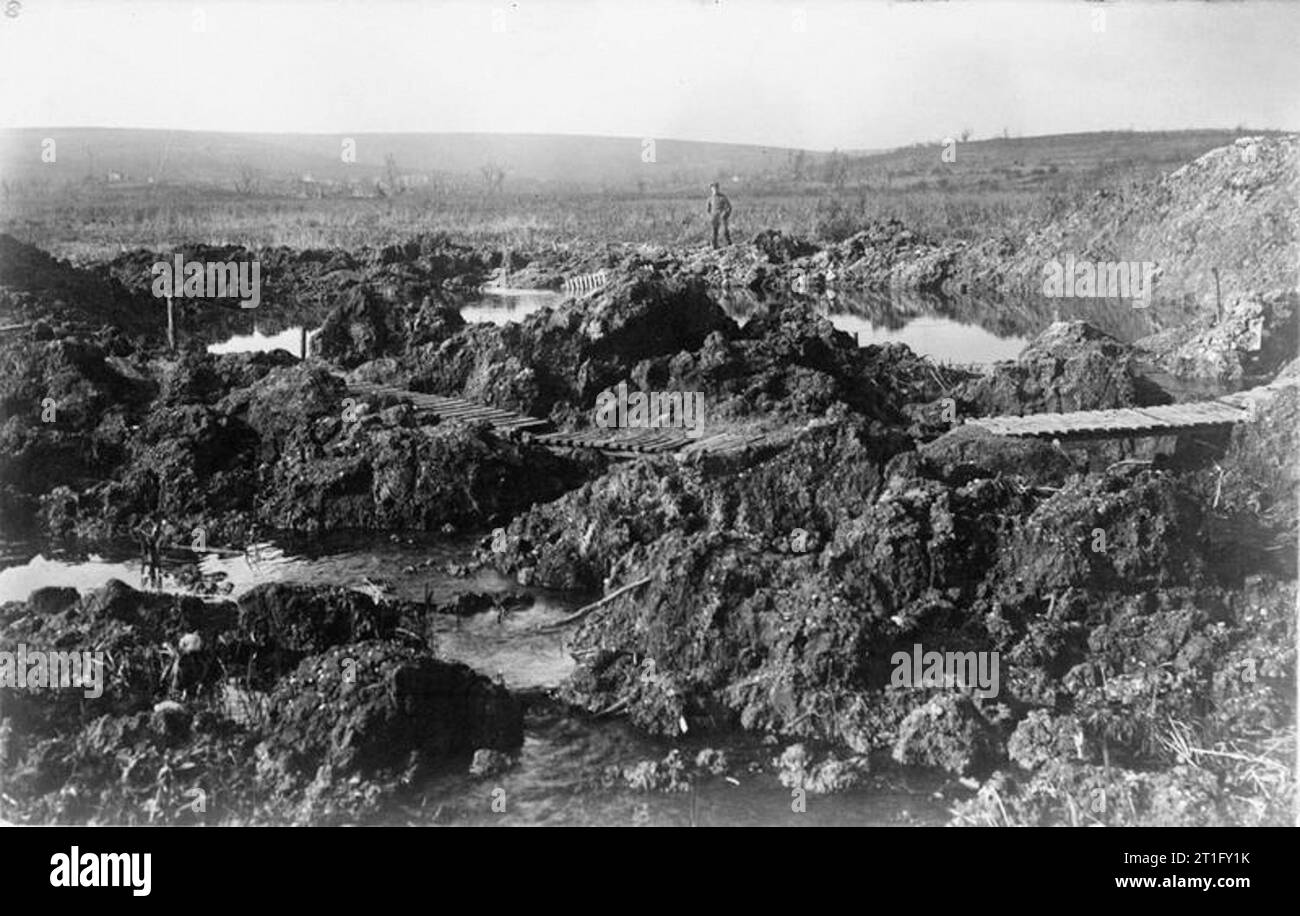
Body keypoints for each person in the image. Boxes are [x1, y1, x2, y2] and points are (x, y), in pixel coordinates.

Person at [707, 182, 732, 249]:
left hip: (722, 217)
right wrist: (710, 216)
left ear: (718, 188)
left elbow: (729, 207)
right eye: (713, 188)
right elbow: (708, 209)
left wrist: (725, 214)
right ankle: (714, 247)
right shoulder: (710, 199)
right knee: (714, 233)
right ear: (711, 189)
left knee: (725, 231)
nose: (715, 189)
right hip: (714, 217)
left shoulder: (723, 197)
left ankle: (730, 245)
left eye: (716, 188)